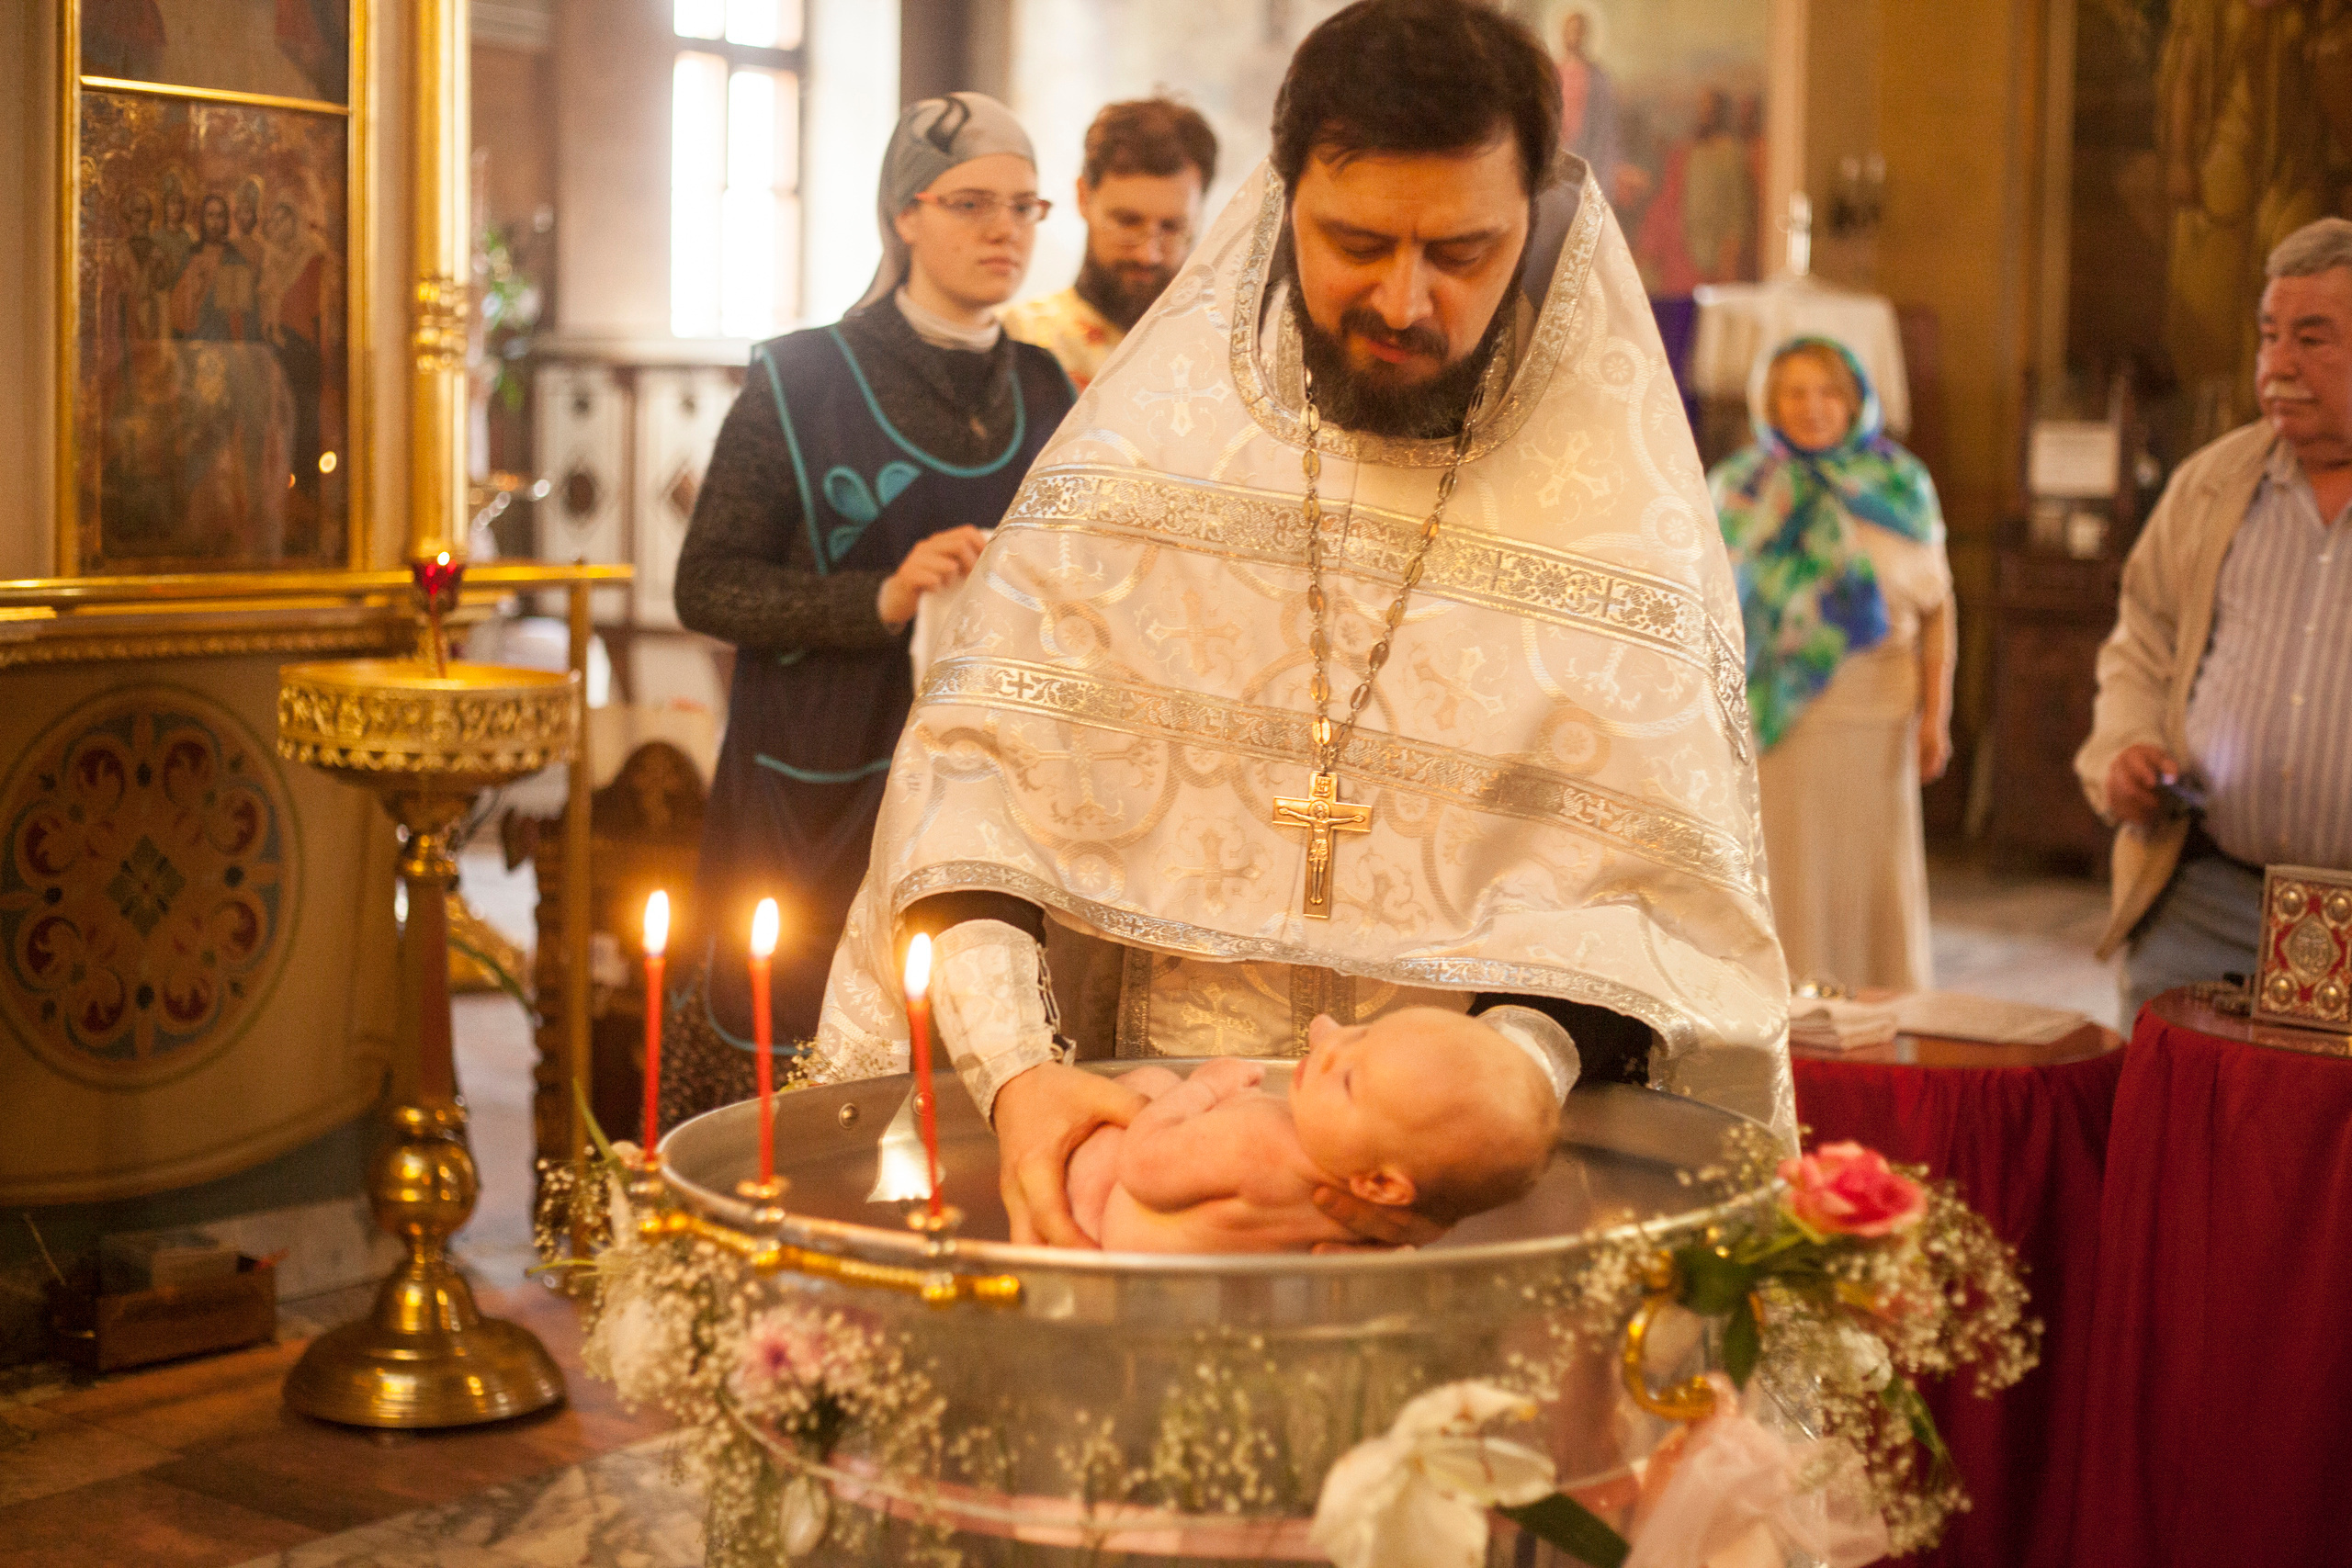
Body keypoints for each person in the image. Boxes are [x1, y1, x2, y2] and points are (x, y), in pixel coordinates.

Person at [814, 0, 1791, 1250]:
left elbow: (1658, 906)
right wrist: (1019, 1074)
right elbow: (968, 801)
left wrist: (1489, 1093)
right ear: (1282, 205)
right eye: (1357, 240)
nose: (1405, 298)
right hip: (1136, 1152)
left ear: (1536, 223)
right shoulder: (1142, 462)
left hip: (1470, 1214)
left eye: (1463, 252)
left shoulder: (1621, 513)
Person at [665, 94, 1077, 1118]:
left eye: (1026, 207)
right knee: (794, 1096)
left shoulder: (1045, 385)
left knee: (965, 1080)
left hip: (987, 795)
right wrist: (881, 597)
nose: (1004, 231)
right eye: (972, 203)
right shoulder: (801, 379)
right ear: (904, 213)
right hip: (816, 788)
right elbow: (706, 584)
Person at [2078, 218, 2352, 1021]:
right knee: (2173, 1132)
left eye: (2313, 338)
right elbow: (2142, 641)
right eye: (2270, 335)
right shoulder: (2212, 485)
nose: (2278, 365)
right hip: (2207, 900)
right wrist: (2129, 746)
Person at [1711, 336, 1953, 992]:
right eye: (1794, 392)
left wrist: (1939, 714)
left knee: (1872, 870)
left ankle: (1882, 998)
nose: (1812, 407)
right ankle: (1787, 1008)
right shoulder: (1740, 486)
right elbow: (1704, 606)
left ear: (1853, 402)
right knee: (1791, 865)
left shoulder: (1902, 483)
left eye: (1827, 392)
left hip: (1881, 705)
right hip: (1779, 714)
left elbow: (1938, 607)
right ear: (1770, 402)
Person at [1066, 1009, 1564, 1253]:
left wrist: (1202, 1088)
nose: (1331, 1050)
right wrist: (1344, 1056)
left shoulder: (1256, 1143)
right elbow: (1372, 1084)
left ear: (1381, 1184)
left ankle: (1070, 1233)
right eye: (1364, 1031)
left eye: (1348, 1079)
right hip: (1224, 1309)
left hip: (1112, 1241)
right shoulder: (1369, 1196)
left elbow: (1144, 1166)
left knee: (1147, 1085)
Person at [1003, 98, 1217, 391]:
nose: (1148, 254)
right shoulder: (1014, 343)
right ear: (1083, 197)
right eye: (1127, 222)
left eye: (1172, 228)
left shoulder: (1224, 361)